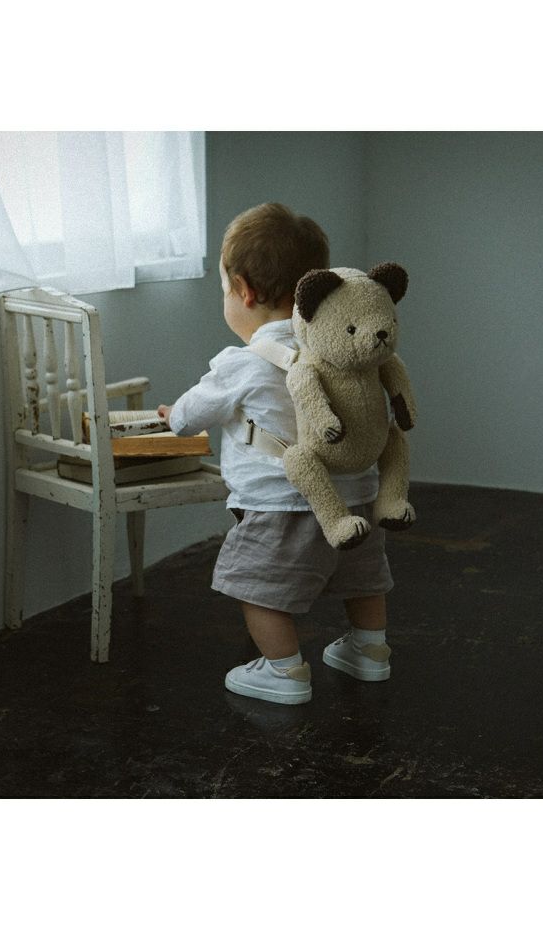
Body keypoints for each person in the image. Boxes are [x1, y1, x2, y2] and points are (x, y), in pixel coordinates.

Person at [157, 202, 394, 705]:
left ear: (243, 290)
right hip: (357, 499)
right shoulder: (345, 350)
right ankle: (370, 650)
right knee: (362, 578)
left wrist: (172, 413)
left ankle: (284, 672)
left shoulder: (239, 364)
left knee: (259, 588)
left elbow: (187, 418)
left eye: (224, 290)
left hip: (279, 506)